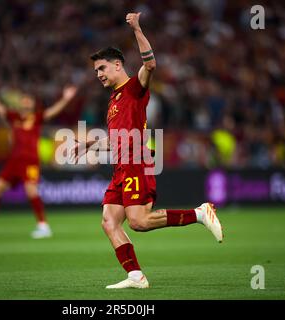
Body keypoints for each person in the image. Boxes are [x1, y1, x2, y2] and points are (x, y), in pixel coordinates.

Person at [71, 13, 223, 289]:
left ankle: (200, 213)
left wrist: (137, 29)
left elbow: (150, 64)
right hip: (121, 165)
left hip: (136, 163)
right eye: (96, 71)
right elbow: (120, 138)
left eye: (102, 68)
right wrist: (93, 143)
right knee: (109, 221)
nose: (99, 75)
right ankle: (135, 276)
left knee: (138, 222)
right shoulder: (114, 99)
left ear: (118, 65)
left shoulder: (134, 88)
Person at [0, 74, 77, 239]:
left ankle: (43, 226)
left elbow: (52, 111)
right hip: (14, 161)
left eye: (29, 100)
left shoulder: (36, 118)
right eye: (23, 100)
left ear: (32, 104)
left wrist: (65, 99)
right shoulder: (14, 118)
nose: (26, 101)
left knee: (31, 191)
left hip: (30, 161)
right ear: (20, 103)